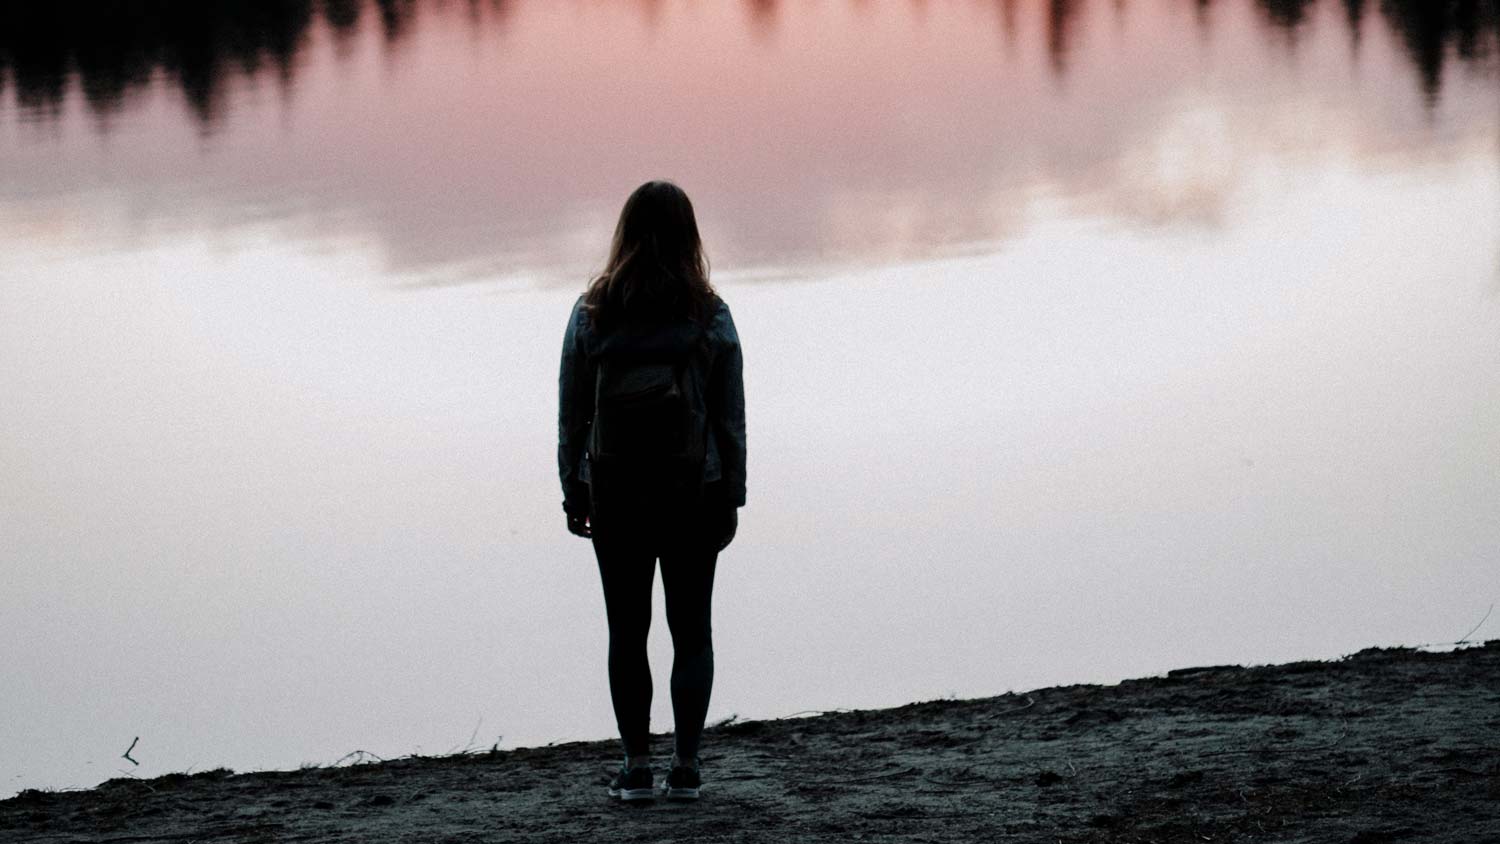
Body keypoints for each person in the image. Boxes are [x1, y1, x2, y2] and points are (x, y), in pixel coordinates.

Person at [557, 180, 746, 802]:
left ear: (624, 235)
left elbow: (572, 415)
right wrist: (733, 494)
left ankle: (637, 769)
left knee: (627, 632)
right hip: (694, 489)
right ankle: (686, 769)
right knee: (692, 632)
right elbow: (729, 416)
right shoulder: (709, 315)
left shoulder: (592, 313)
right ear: (690, 236)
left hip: (615, 491)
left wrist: (572, 491)